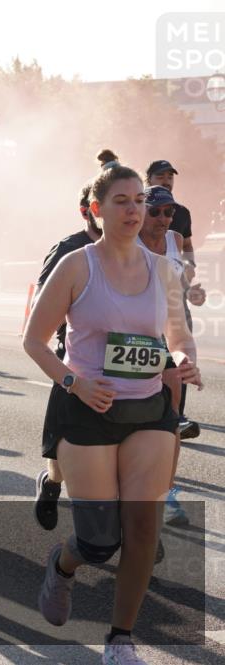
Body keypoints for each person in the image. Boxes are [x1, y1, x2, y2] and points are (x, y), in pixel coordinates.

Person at [23, 157, 202, 663]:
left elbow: (178, 336)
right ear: (97, 209)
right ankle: (63, 565)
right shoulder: (76, 265)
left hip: (148, 410)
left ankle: (120, 639)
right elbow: (34, 342)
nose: (133, 210)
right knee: (99, 541)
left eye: (138, 201)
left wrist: (184, 360)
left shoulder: (165, 269)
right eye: (120, 202)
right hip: (87, 410)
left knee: (144, 526)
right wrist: (75, 384)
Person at [33, 171, 105, 531]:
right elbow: (42, 302)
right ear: (88, 211)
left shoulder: (135, 249)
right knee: (65, 443)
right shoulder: (68, 249)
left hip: (124, 367)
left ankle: (141, 524)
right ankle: (52, 482)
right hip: (75, 355)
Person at [137, 185, 207, 529]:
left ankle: (166, 493)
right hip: (132, 336)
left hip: (167, 334)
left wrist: (192, 290)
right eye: (156, 212)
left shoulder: (175, 240)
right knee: (131, 419)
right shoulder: (126, 239)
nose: (163, 219)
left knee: (170, 419)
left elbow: (181, 281)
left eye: (168, 212)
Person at [146, 160, 201, 441]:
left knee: (180, 360)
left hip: (174, 306)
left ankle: (176, 416)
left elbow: (187, 252)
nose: (164, 216)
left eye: (168, 211)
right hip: (143, 317)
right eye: (160, 176)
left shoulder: (178, 229)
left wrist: (190, 280)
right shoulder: (131, 228)